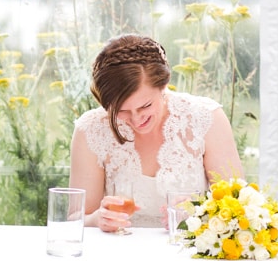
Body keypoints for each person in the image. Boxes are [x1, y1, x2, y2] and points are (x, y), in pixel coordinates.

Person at [69, 34, 244, 232]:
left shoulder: (206, 118)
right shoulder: (90, 129)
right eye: (122, 111)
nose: (136, 119)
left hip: (191, 253)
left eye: (145, 105)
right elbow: (75, 218)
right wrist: (96, 219)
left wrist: (199, 212)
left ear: (163, 86)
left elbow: (239, 206)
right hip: (118, 252)